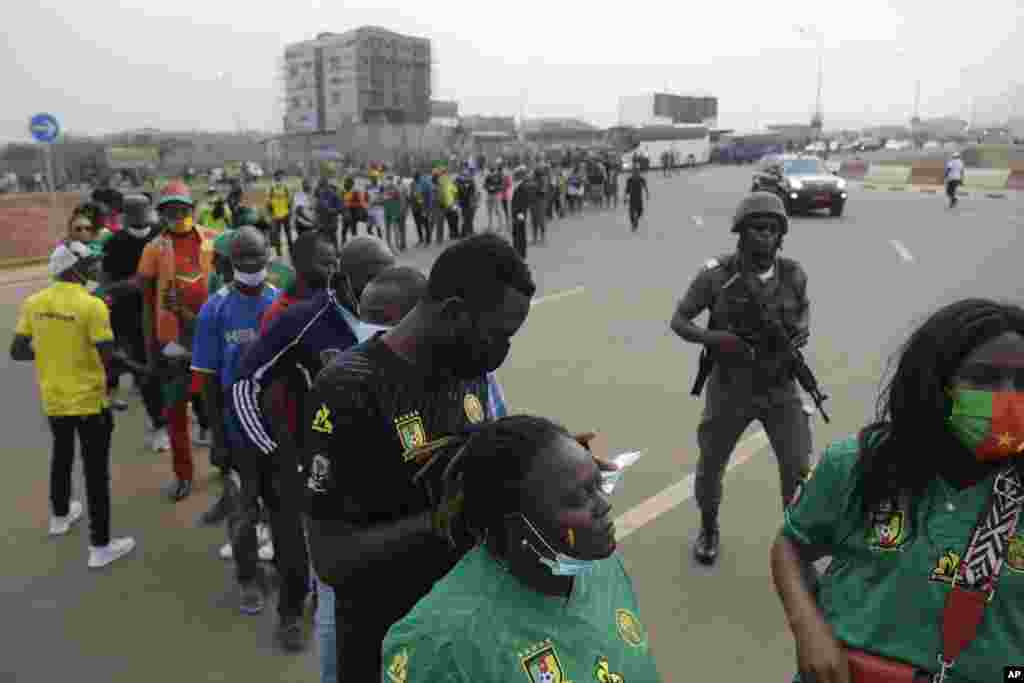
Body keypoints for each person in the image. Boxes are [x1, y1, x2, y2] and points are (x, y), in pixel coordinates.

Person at [304, 234, 536, 679]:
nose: (502, 351)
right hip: (390, 647)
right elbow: (333, 558)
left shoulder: (465, 367)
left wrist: (540, 465)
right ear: (451, 313)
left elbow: (469, 460)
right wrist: (454, 516)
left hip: (461, 631)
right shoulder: (349, 392)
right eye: (499, 334)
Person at [771, 298, 1024, 683]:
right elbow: (790, 545)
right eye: (983, 378)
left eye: (1022, 383)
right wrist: (810, 631)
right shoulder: (858, 464)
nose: (1007, 397)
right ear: (936, 384)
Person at [381, 415, 662, 682]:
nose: (604, 505)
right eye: (578, 498)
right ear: (519, 526)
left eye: (598, 485)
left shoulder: (597, 562)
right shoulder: (441, 644)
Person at [670, 192, 812, 565]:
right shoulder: (716, 276)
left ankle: (796, 543)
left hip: (780, 387)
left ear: (781, 235)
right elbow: (680, 321)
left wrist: (795, 336)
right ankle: (709, 526)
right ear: (740, 232)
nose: (764, 236)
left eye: (771, 229)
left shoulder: (794, 275)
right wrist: (718, 339)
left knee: (797, 465)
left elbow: (803, 319)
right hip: (730, 387)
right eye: (756, 228)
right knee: (712, 462)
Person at [189, 228, 303, 644]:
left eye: (259, 261)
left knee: (284, 513)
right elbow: (205, 380)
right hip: (236, 434)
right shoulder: (214, 311)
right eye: (244, 262)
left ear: (269, 258)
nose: (253, 268)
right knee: (243, 510)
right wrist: (216, 436)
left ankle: (288, 582)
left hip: (279, 434)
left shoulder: (279, 303)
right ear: (229, 263)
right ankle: (248, 577)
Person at [10, 241, 136, 568]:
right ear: (72, 268)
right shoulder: (92, 305)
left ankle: (60, 516)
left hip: (54, 399)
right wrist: (143, 370)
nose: (95, 269)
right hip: (90, 401)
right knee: (96, 474)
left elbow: (18, 350)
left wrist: (52, 352)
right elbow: (110, 357)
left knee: (61, 457)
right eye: (90, 264)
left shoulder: (33, 302)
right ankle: (100, 546)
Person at [137, 181, 217, 502]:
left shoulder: (212, 241)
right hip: (173, 345)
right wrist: (150, 350)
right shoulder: (154, 248)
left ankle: (226, 468)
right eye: (170, 209)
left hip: (211, 340)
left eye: (182, 208)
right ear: (162, 212)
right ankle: (183, 475)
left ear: (191, 209)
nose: (177, 214)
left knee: (219, 409)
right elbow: (145, 303)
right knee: (175, 414)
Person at [99, 195, 168, 452]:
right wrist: (131, 285)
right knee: (146, 372)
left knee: (176, 370)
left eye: (143, 209)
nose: (140, 214)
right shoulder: (114, 244)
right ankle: (159, 425)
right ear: (124, 215)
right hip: (132, 319)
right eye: (133, 211)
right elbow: (105, 286)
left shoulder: (164, 235)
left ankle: (198, 420)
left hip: (167, 314)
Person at [266, 171, 293, 258]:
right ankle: (279, 253)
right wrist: (271, 213)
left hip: (285, 214)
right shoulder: (272, 189)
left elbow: (289, 201)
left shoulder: (285, 188)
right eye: (278, 177)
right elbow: (268, 202)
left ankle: (291, 250)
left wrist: (290, 211)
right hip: (276, 216)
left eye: (281, 177)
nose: (279, 178)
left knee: (288, 233)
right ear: (275, 178)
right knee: (277, 235)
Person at [510, 167, 534, 260]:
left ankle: (520, 253)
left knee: (519, 234)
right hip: (518, 213)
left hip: (519, 213)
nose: (513, 176)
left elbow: (524, 201)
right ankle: (520, 252)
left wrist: (521, 213)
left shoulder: (523, 186)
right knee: (518, 233)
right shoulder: (520, 185)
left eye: (515, 175)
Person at [625, 166, 650, 231]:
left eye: (637, 172)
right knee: (631, 213)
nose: (635, 173)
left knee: (640, 212)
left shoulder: (641, 179)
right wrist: (625, 197)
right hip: (632, 198)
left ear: (639, 172)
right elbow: (627, 189)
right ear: (632, 173)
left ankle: (636, 220)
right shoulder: (629, 180)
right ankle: (634, 223)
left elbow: (645, 187)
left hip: (639, 198)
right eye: (634, 172)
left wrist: (647, 194)